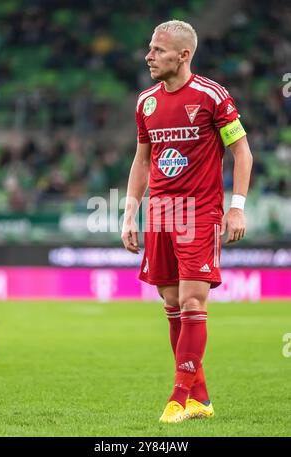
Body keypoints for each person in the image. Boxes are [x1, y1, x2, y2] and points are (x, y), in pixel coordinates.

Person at [121, 20, 253, 423]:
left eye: (158, 50)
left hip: (200, 212)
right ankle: (202, 400)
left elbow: (242, 154)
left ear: (183, 55)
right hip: (160, 213)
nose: (149, 56)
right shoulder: (146, 102)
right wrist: (130, 213)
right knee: (173, 304)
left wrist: (237, 206)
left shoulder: (212, 96)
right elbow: (142, 161)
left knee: (194, 301)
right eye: (149, 48)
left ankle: (178, 398)